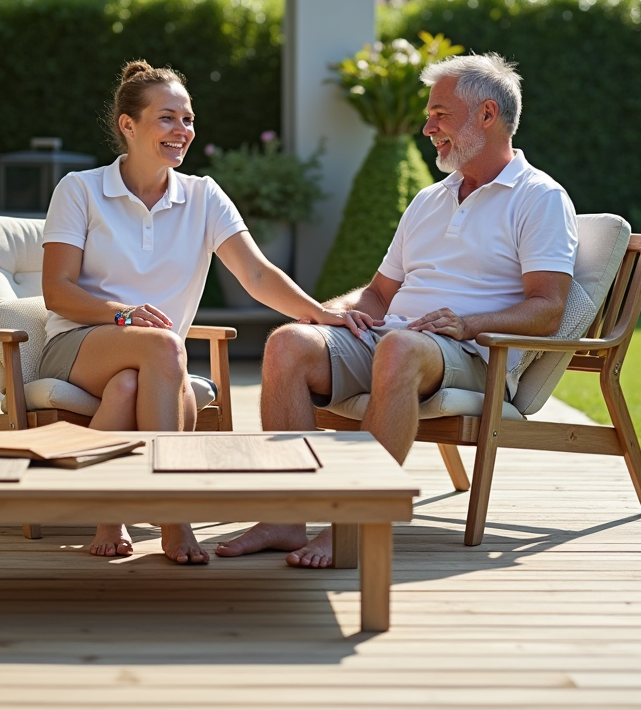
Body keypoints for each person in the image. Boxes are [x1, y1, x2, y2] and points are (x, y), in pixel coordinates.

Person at [216, 53, 577, 567]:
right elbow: (380, 294)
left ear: (488, 114)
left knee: (400, 349)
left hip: (472, 356)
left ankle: (357, 525)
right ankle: (284, 517)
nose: (428, 127)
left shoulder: (539, 197)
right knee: (288, 343)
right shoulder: (429, 200)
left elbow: (548, 309)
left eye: (439, 114)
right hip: (394, 340)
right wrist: (336, 313)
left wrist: (467, 323)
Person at [40, 60, 363, 564]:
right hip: (79, 344)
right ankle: (174, 513)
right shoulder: (80, 190)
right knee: (165, 348)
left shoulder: (204, 196)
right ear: (129, 125)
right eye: (168, 118)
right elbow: (57, 293)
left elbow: (256, 275)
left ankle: (110, 514)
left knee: (133, 385)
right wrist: (123, 315)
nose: (183, 131)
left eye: (188, 120)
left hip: (155, 365)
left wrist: (320, 314)